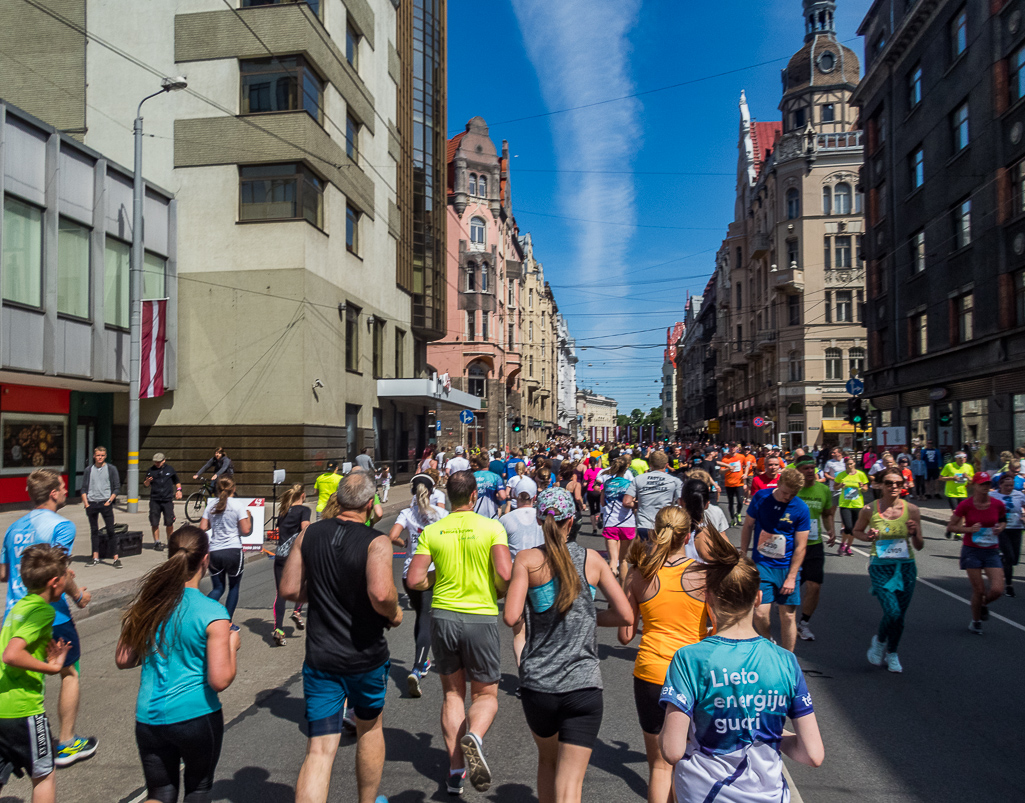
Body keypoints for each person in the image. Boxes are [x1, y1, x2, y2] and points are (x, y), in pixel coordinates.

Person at [658, 538, 823, 802]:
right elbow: (812, 755)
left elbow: (672, 750)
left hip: (704, 793)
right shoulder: (785, 661)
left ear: (707, 596)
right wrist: (765, 731)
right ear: (758, 598)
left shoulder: (689, 658)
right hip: (769, 795)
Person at [502, 488, 632, 803]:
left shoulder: (528, 559)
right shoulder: (591, 560)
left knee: (547, 761)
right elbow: (625, 615)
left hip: (539, 684)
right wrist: (588, 616)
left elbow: (511, 616)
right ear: (571, 520)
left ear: (537, 518)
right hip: (583, 686)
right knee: (571, 783)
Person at [280, 471, 402, 803]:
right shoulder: (375, 541)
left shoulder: (310, 535)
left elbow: (290, 589)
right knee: (370, 728)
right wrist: (394, 613)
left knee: (320, 749)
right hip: (364, 655)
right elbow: (380, 594)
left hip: (321, 656)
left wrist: (319, 590)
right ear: (369, 502)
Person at [116, 526, 240, 803]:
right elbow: (219, 679)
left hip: (149, 717)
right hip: (195, 715)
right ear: (205, 560)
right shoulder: (213, 612)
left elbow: (124, 658)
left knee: (160, 792)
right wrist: (231, 645)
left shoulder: (149, 603)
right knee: (198, 788)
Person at [406, 470, 512, 795]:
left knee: (453, 694)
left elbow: (414, 579)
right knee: (485, 695)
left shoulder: (433, 530)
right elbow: (505, 574)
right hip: (480, 616)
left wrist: (435, 581)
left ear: (448, 497)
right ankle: (475, 737)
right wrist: (496, 589)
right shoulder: (493, 527)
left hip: (444, 616)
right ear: (473, 496)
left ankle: (455, 771)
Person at [618, 506, 716, 803]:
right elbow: (719, 628)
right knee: (687, 760)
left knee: (659, 767)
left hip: (650, 673)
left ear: (653, 532)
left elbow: (624, 635)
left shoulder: (637, 574)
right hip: (692, 676)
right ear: (687, 536)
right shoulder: (703, 576)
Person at [1, 470, 97, 768]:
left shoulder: (13, 528)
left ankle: (15, 744)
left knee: (24, 677)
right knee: (69, 673)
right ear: (54, 493)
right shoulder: (62, 526)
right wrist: (79, 596)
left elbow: (5, 573)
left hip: (16, 613)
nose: (65, 489)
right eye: (63, 486)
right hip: (50, 614)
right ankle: (67, 742)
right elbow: (60, 572)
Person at [0, 545, 74, 803]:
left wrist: (41, 655)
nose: (67, 581)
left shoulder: (18, 607)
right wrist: (53, 667)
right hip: (24, 710)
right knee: (44, 775)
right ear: (54, 582)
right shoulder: (43, 611)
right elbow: (11, 654)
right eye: (66, 577)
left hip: (2, 706)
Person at [853, 468, 924, 672]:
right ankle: (880, 641)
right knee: (892, 611)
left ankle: (892, 653)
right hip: (880, 566)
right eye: (890, 483)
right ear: (880, 485)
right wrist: (868, 537)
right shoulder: (869, 509)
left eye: (899, 483)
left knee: (900, 615)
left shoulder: (912, 509)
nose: (894, 487)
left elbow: (919, 545)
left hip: (906, 567)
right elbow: (857, 531)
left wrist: (915, 532)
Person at [387, 474, 447, 698]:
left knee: (421, 615)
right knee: (426, 617)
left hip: (409, 572)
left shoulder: (407, 513)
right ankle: (418, 666)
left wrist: (405, 543)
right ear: (431, 492)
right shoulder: (441, 514)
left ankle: (423, 659)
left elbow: (392, 535)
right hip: (430, 571)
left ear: (413, 491)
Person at [739, 469, 810, 653]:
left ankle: (788, 658)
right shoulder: (761, 498)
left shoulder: (801, 508)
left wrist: (792, 577)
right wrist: (743, 554)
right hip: (762, 563)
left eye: (792, 494)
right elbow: (748, 525)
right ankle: (768, 642)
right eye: (785, 492)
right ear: (778, 484)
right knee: (760, 613)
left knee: (788, 616)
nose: (788, 497)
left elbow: (801, 546)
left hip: (786, 567)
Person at [947, 473, 1005, 634]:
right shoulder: (966, 505)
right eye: (982, 484)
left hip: (991, 551)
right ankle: (976, 621)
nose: (985, 487)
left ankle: (983, 604)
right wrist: (968, 529)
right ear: (975, 485)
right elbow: (951, 527)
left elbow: (1003, 520)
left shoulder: (997, 504)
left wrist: (1001, 528)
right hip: (972, 550)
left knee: (997, 589)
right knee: (978, 590)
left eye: (988, 484)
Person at [499, 478, 543, 668]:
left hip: (516, 575)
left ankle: (523, 673)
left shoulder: (505, 519)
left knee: (519, 631)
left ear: (515, 496)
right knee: (542, 627)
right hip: (542, 575)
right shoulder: (543, 518)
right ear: (535, 496)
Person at [793, 456, 835, 642]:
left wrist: (831, 529)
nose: (810, 471)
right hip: (792, 546)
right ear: (799, 471)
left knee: (815, 586)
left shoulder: (823, 490)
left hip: (814, 544)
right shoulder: (792, 490)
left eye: (812, 468)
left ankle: (803, 624)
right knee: (787, 586)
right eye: (806, 468)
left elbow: (826, 514)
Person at [199, 477, 253, 620]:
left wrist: (213, 524)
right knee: (233, 587)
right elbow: (246, 530)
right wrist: (248, 517)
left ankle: (201, 614)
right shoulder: (237, 505)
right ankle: (227, 623)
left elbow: (203, 527)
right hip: (233, 550)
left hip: (215, 551)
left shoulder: (211, 506)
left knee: (218, 588)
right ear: (233, 489)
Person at [271, 484, 310, 647]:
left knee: (281, 593)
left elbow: (279, 531)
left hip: (280, 555)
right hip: (295, 556)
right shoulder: (304, 510)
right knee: (303, 584)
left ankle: (279, 630)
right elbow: (305, 529)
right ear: (302, 495)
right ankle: (297, 611)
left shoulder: (283, 511)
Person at [622, 451, 683, 541]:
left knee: (644, 553)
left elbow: (626, 502)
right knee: (662, 554)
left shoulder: (639, 479)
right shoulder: (675, 481)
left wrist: (641, 504)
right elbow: (681, 504)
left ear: (650, 464)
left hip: (644, 525)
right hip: (665, 524)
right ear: (666, 465)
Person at [81, 446, 121, 568]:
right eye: (98, 455)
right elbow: (84, 488)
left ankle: (115, 558)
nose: (100, 457)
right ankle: (95, 557)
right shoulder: (89, 470)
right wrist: (86, 503)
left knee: (110, 530)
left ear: (105, 456)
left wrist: (110, 500)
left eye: (102, 455)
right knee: (94, 531)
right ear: (94, 456)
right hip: (92, 503)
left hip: (105, 503)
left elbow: (116, 487)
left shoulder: (111, 469)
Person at [600, 458, 636, 577]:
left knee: (613, 561)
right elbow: (633, 502)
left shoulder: (607, 483)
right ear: (626, 468)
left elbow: (602, 503)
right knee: (624, 560)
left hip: (610, 522)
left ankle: (611, 586)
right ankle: (623, 591)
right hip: (627, 523)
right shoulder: (629, 484)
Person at [991, 472, 1025, 597]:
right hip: (1001, 529)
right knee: (1009, 557)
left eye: (1011, 485)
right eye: (1006, 486)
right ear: (1000, 485)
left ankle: (1000, 561)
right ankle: (1009, 586)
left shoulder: (1019, 495)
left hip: (1016, 528)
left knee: (1015, 559)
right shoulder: (993, 496)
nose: (1010, 488)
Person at [144, 453, 182, 552]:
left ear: (164, 460)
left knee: (169, 522)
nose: (157, 464)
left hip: (167, 500)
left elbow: (177, 481)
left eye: (159, 462)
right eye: (155, 462)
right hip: (155, 500)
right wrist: (147, 481)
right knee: (154, 522)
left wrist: (179, 490)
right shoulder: (150, 470)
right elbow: (146, 484)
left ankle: (170, 541)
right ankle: (156, 542)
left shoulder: (170, 469)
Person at [834, 457, 869, 556]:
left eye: (850, 464)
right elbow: (835, 486)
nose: (849, 466)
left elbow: (866, 489)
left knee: (854, 529)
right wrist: (840, 485)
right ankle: (842, 544)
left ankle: (848, 547)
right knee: (848, 527)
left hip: (857, 504)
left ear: (854, 464)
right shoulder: (841, 475)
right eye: (847, 464)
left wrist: (862, 487)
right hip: (845, 504)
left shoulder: (861, 475)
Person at [471, 453, 508, 519]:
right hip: (491, 514)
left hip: (475, 514)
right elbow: (502, 496)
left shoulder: (471, 476)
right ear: (488, 464)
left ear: (478, 464)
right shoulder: (495, 477)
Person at [718, 443, 747, 526]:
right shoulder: (725, 458)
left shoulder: (741, 457)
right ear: (729, 448)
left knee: (740, 501)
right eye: (731, 447)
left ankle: (738, 513)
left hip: (739, 483)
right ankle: (732, 519)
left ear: (737, 448)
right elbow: (720, 471)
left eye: (734, 447)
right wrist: (728, 468)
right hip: (729, 483)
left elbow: (746, 466)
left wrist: (746, 474)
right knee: (730, 502)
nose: (732, 448)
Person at [583, 458, 604, 534]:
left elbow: (585, 481)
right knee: (598, 507)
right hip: (599, 490)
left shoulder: (588, 471)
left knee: (592, 510)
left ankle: (594, 529)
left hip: (590, 490)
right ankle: (598, 519)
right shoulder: (601, 470)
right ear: (596, 462)